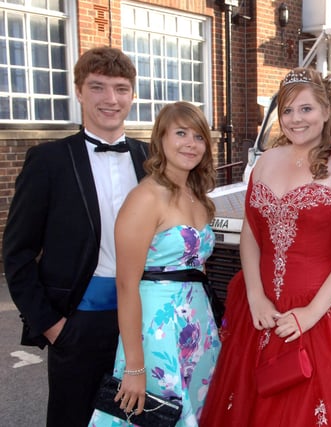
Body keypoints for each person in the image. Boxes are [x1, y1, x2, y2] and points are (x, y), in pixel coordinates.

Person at [199, 68, 331, 426]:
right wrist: (254, 295)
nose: (295, 119)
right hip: (262, 311)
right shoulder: (264, 162)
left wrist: (311, 313)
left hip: (325, 312)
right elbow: (252, 234)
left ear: (327, 111)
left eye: (306, 109)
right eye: (287, 111)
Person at [2, 47, 148, 427]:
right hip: (78, 323)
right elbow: (17, 254)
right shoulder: (48, 161)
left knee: (144, 419)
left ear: (133, 94)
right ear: (79, 92)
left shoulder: (152, 160)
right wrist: (52, 326)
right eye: (97, 87)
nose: (110, 99)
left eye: (121, 88)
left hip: (148, 320)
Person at [87, 101, 221, 426]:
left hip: (198, 326)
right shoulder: (145, 197)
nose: (191, 143)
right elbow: (126, 284)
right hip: (156, 330)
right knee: (156, 415)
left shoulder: (198, 196)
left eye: (198, 136)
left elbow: (196, 268)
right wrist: (134, 365)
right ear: (160, 139)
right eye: (180, 133)